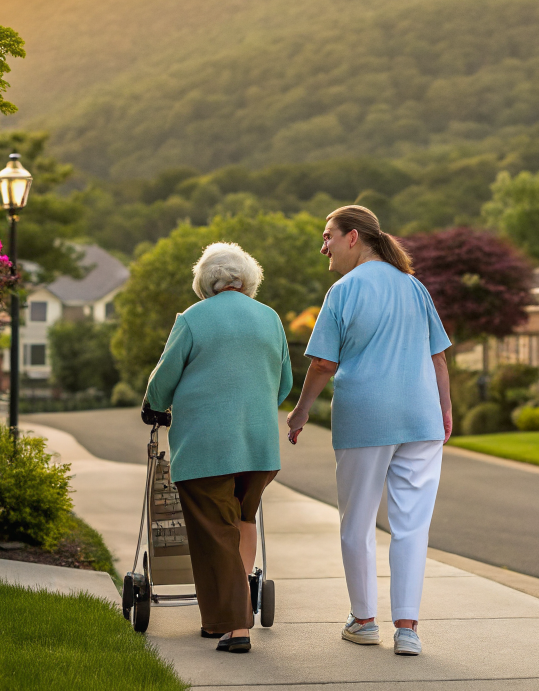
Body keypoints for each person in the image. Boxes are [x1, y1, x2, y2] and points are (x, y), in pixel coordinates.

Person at [287, 205, 452, 657]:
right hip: (422, 419)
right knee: (412, 526)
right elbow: (438, 357)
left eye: (328, 237)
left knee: (357, 523)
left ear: (353, 237)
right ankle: (407, 630)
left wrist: (300, 412)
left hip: (367, 418)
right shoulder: (415, 287)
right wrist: (445, 411)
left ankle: (363, 621)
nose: (324, 247)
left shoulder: (344, 290)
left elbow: (323, 363)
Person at [145, 242, 291, 654]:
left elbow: (164, 377)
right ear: (248, 279)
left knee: (215, 533)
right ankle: (222, 619)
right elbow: (282, 384)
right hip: (259, 447)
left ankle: (236, 626)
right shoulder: (270, 318)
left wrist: (153, 406)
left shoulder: (193, 318)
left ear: (205, 282)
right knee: (243, 522)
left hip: (208, 447)